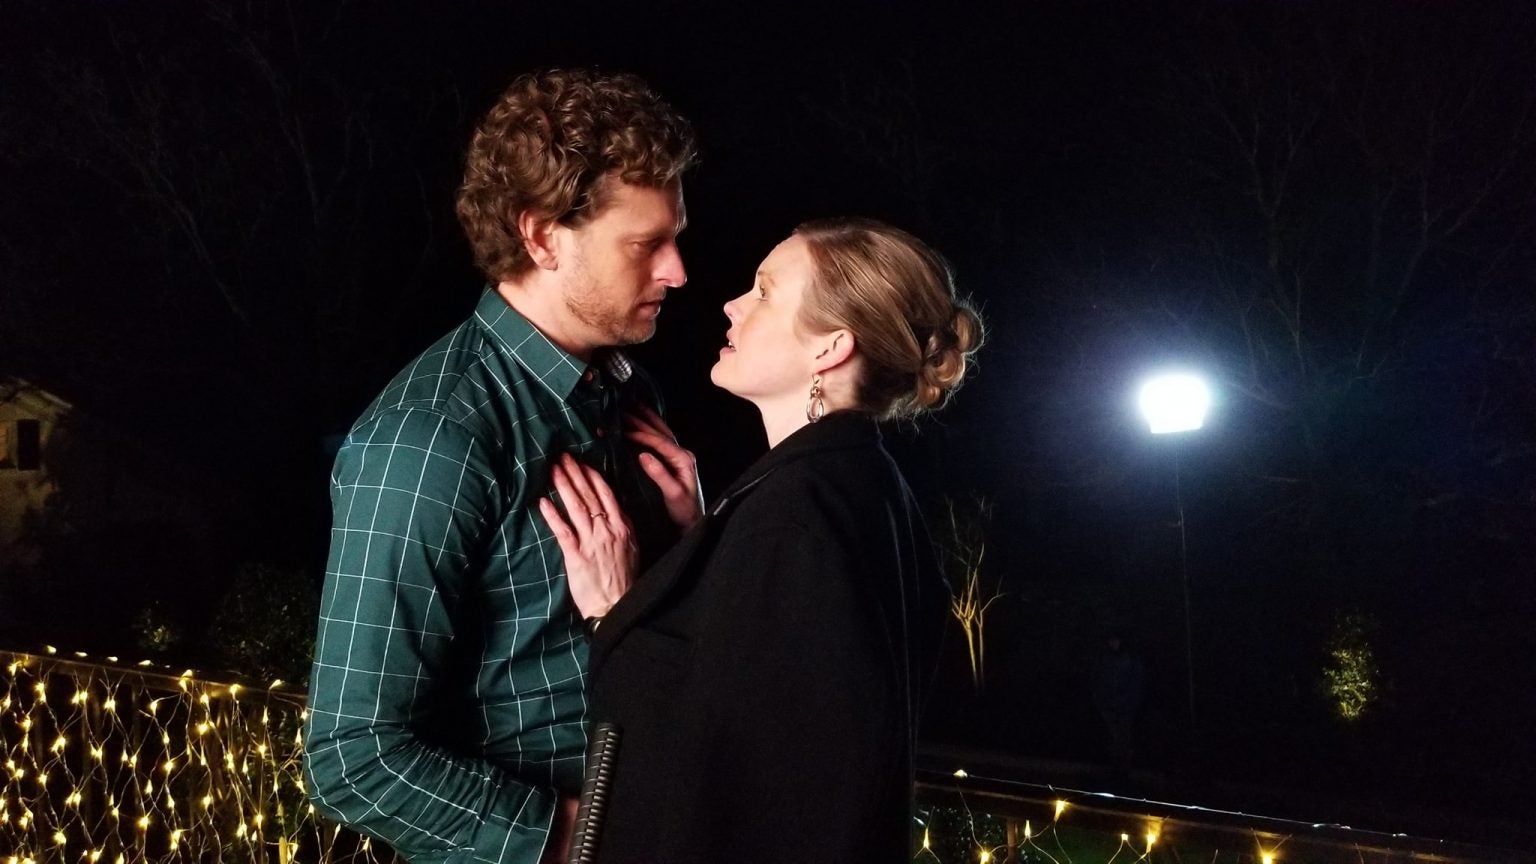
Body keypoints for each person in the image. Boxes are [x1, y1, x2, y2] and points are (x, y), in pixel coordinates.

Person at [302, 69, 700, 864]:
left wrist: (696, 542)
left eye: (675, 236)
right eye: (645, 244)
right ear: (543, 237)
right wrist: (580, 838)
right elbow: (352, 756)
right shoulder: (430, 435)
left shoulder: (630, 392)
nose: (677, 271)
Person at [540, 218, 984, 862]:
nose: (733, 304)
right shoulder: (856, 484)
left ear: (830, 348)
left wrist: (615, 613)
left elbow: (737, 776)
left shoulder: (797, 513)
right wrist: (702, 544)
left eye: (765, 292)